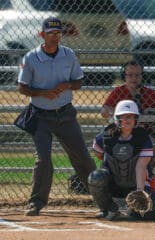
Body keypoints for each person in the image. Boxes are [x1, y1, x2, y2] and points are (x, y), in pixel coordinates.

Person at [17, 17, 96, 216]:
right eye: (50, 33)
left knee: (82, 157)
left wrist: (67, 85)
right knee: (43, 160)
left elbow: (78, 82)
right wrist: (42, 93)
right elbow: (22, 88)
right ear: (42, 35)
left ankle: (102, 199)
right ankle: (36, 202)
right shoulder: (31, 57)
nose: (55, 37)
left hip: (65, 114)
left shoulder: (68, 55)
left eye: (58, 33)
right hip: (40, 115)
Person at [88, 100, 155, 221]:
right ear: (116, 118)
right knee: (96, 177)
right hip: (114, 182)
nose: (127, 120)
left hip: (136, 183)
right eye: (123, 116)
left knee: (148, 215)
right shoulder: (105, 136)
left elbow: (141, 166)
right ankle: (108, 209)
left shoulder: (143, 138)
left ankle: (132, 209)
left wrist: (140, 191)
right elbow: (98, 154)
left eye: (131, 116)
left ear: (136, 119)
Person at [101, 60, 155, 170]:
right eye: (130, 75)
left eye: (137, 75)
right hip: (121, 132)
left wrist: (150, 112)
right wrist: (121, 111)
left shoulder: (150, 93)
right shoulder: (118, 92)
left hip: (145, 132)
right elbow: (104, 111)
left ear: (142, 76)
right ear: (124, 76)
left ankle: (148, 175)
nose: (134, 78)